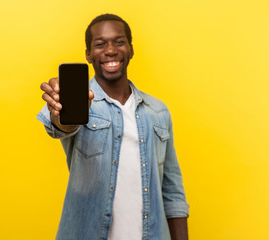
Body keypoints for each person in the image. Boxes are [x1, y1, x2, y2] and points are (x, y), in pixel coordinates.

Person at [37, 13, 189, 240]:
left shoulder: (157, 111)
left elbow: (173, 192)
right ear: (88, 54)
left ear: (131, 49)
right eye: (100, 44)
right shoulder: (74, 101)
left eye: (119, 42)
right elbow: (60, 127)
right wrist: (61, 113)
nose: (110, 50)